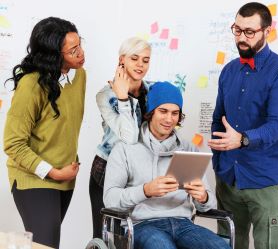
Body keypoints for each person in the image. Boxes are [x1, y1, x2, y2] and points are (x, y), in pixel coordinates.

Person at [208, 2, 278, 249]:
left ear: (266, 31)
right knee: (226, 246)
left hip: (265, 181)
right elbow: (218, 119)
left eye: (249, 31)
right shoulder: (228, 71)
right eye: (237, 30)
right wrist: (219, 162)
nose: (241, 38)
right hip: (228, 180)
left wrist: (243, 139)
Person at [104, 82, 230, 249]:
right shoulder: (125, 148)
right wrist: (145, 190)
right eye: (163, 111)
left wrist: (203, 197)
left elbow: (209, 205)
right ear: (151, 112)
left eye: (175, 113)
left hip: (183, 224)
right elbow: (110, 199)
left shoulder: (189, 149)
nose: (169, 119)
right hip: (141, 225)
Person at [3, 17, 86, 249]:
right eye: (73, 50)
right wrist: (54, 172)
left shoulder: (80, 76)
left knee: (45, 245)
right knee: (47, 245)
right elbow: (13, 143)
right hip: (34, 178)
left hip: (65, 177)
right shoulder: (31, 86)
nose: (81, 53)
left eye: (80, 45)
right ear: (54, 55)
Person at [89, 37, 151, 239]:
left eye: (145, 60)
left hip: (139, 171)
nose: (141, 65)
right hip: (107, 169)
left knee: (134, 236)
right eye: (135, 58)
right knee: (107, 236)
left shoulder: (153, 91)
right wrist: (123, 98)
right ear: (122, 59)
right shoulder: (105, 96)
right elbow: (130, 138)